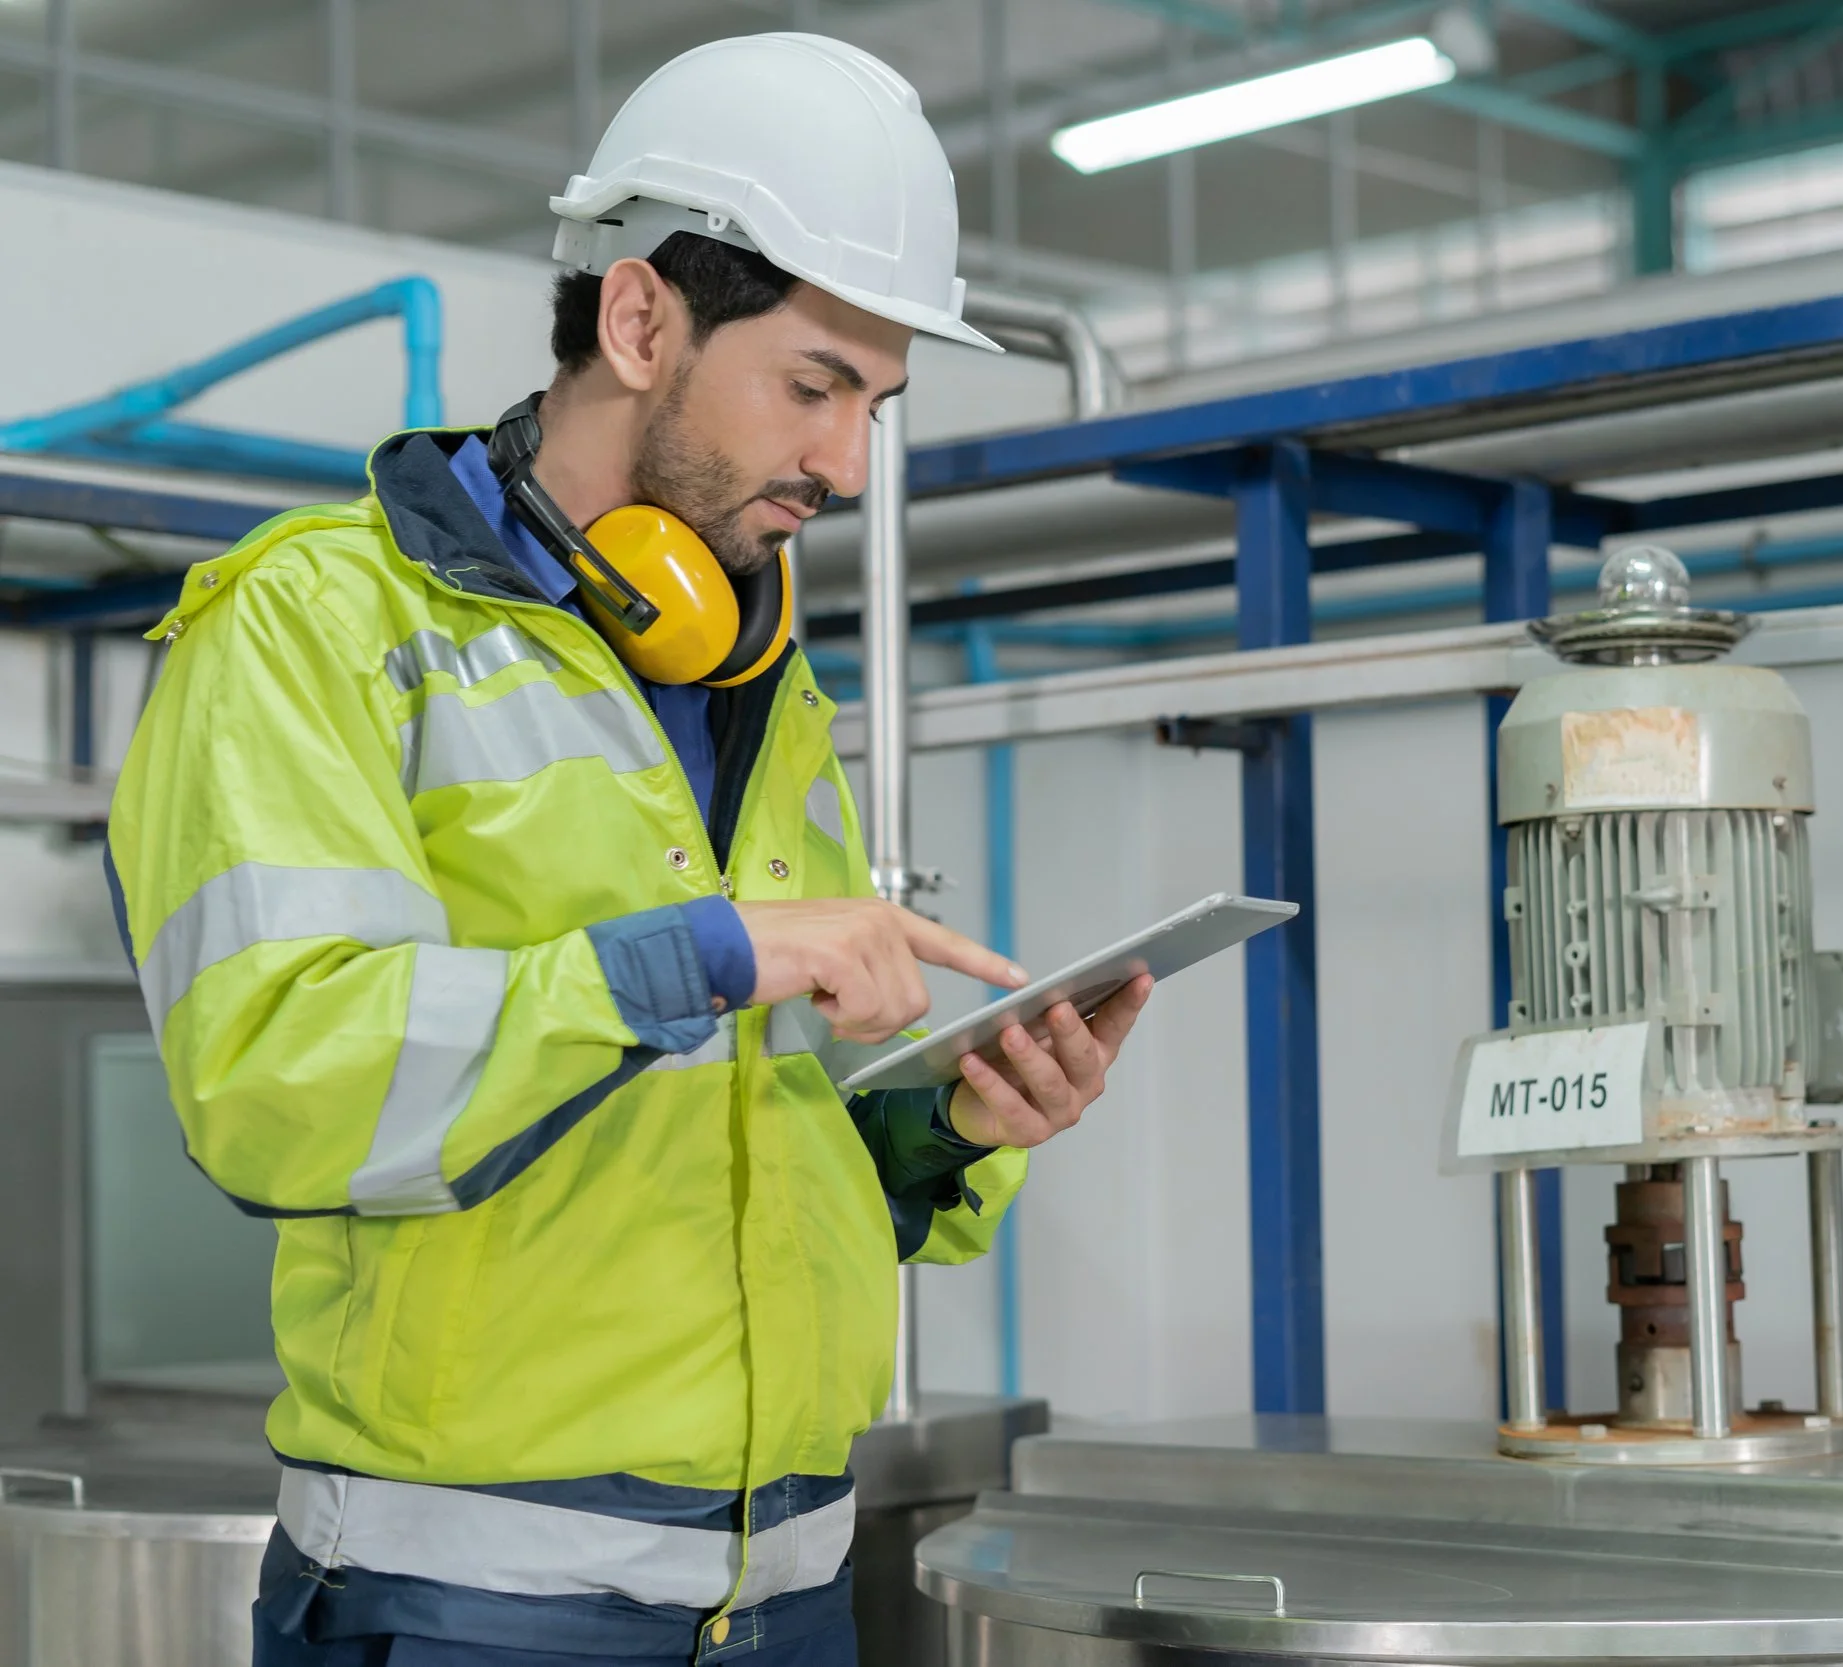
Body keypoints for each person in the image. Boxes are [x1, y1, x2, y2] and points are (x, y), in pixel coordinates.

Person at [105, 32, 1147, 1666]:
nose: (847, 465)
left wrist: (948, 1123)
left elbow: (725, 1149)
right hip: (469, 1608)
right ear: (641, 317)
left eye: (875, 403)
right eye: (813, 387)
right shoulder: (318, 627)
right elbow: (275, 1081)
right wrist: (713, 951)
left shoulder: (760, 684)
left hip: (790, 1593)